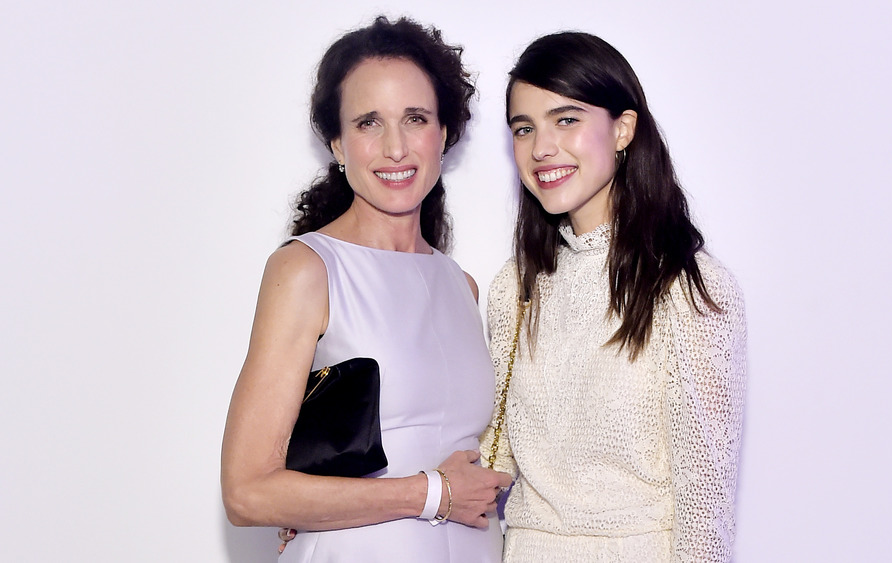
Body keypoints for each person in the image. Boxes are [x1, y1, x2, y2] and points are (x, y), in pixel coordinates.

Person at [221, 16, 510, 562]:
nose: (395, 147)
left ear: (444, 133)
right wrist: (429, 494)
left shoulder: (462, 286)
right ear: (337, 142)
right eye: (369, 123)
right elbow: (247, 492)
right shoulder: (307, 270)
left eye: (416, 118)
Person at [481, 31, 747, 561]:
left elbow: (705, 508)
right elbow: (490, 461)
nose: (542, 147)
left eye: (567, 120)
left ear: (623, 129)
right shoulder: (515, 286)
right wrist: (338, 504)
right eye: (524, 128)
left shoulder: (689, 288)